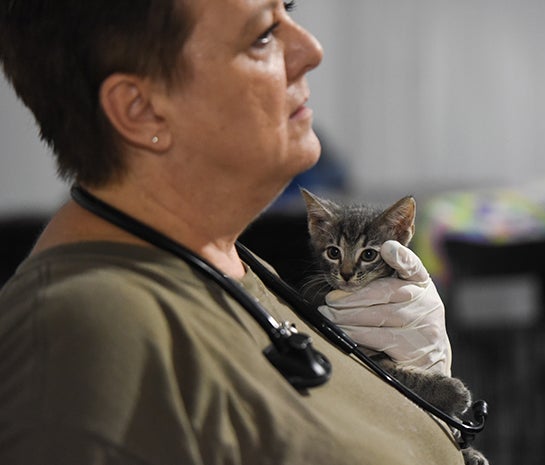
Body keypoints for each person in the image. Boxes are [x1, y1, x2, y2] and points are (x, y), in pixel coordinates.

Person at [0, 1, 473, 464]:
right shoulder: (82, 338)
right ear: (140, 109)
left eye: (288, 9)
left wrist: (420, 389)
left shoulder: (238, 268)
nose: (310, 49)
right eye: (262, 34)